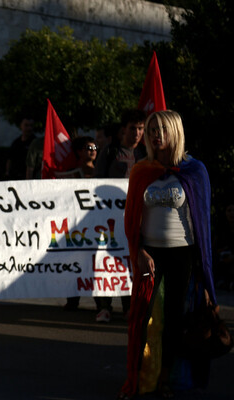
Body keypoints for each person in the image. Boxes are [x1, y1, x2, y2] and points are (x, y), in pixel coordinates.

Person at [117, 110, 216, 399]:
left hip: (182, 255)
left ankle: (165, 380)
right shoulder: (141, 170)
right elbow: (131, 218)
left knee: (175, 321)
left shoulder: (194, 170)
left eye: (161, 129)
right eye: (150, 129)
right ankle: (138, 380)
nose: (155, 134)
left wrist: (203, 273)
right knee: (143, 317)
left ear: (175, 131)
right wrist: (139, 252)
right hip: (150, 255)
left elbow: (202, 224)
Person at [93, 109, 146, 322]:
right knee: (104, 259)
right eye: (133, 128)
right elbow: (95, 183)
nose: (137, 133)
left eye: (141, 128)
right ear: (124, 129)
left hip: (138, 218)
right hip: (109, 218)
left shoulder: (145, 154)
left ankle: (129, 306)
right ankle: (104, 306)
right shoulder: (109, 152)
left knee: (130, 260)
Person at [63, 136, 98, 310]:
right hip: (76, 224)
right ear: (78, 151)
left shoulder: (102, 172)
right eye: (87, 148)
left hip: (99, 224)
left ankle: (102, 303)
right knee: (75, 260)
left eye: (94, 147)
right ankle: (72, 300)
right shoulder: (71, 173)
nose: (92, 151)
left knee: (98, 263)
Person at [213, 201, 234, 291]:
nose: (232, 213)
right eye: (229, 210)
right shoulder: (221, 229)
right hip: (222, 259)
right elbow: (215, 247)